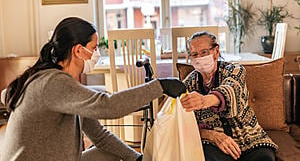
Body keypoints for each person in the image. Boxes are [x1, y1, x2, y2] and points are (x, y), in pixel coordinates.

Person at [1, 17, 186, 161]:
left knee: (111, 152)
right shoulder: (53, 82)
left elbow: (99, 135)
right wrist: (160, 86)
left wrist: (136, 158)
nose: (97, 53)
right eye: (94, 47)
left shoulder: (64, 85)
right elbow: (108, 106)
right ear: (78, 51)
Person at [180, 31, 277, 161]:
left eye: (204, 52)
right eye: (195, 54)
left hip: (249, 138)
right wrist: (211, 135)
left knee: (265, 158)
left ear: (216, 51)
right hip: (213, 142)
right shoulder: (188, 83)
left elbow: (230, 90)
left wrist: (204, 100)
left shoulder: (235, 70)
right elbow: (182, 124)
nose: (200, 57)